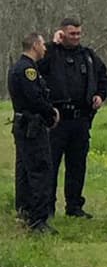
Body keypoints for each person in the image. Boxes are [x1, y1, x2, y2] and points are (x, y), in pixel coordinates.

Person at [39, 17, 107, 219]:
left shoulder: (88, 56)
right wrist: (52, 44)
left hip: (81, 120)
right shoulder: (51, 53)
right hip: (57, 120)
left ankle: (74, 206)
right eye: (72, 34)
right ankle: (47, 207)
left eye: (79, 33)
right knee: (51, 165)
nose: (76, 37)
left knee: (77, 165)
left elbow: (103, 78)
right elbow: (37, 67)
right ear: (62, 33)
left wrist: (100, 95)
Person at [8, 32, 59, 233]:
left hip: (23, 124)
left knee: (25, 171)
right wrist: (51, 113)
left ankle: (24, 212)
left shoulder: (18, 67)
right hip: (32, 127)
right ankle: (38, 220)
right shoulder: (28, 70)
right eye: (43, 45)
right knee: (40, 170)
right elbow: (35, 98)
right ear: (36, 45)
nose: (45, 49)